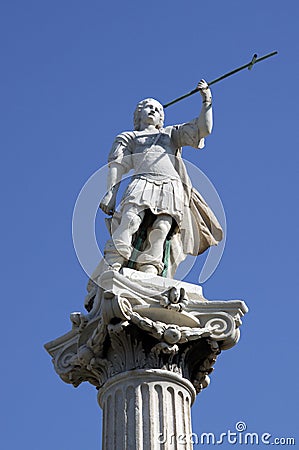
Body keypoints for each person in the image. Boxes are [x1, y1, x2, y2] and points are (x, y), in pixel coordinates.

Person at [99, 80, 223, 278]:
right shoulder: (129, 137)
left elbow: (203, 129)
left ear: (161, 118)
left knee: (162, 227)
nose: (153, 110)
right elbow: (117, 165)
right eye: (148, 107)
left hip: (170, 185)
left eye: (157, 109)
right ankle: (113, 262)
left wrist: (206, 100)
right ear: (138, 114)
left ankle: (151, 267)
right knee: (130, 220)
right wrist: (110, 194)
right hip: (142, 181)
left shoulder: (170, 134)